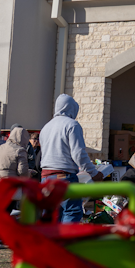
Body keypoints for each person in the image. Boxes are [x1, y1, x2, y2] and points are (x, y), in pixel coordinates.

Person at [39, 94, 99, 223]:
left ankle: (50, 241)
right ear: (71, 108)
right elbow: (78, 154)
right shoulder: (72, 125)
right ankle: (67, 242)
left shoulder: (45, 128)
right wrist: (93, 173)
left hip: (45, 178)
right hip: (64, 177)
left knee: (51, 214)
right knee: (71, 211)